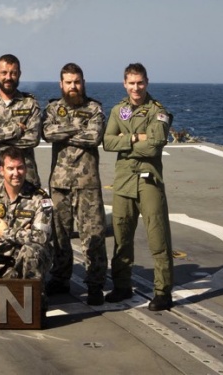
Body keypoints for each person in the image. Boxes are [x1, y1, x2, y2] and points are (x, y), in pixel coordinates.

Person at [103, 62, 175, 311]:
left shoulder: (158, 112)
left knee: (158, 237)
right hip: (123, 181)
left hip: (149, 182)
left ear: (147, 83)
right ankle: (122, 286)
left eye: (140, 83)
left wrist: (125, 140)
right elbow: (107, 142)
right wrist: (136, 137)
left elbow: (154, 146)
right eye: (131, 83)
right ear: (125, 84)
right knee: (122, 237)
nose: (136, 87)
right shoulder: (117, 111)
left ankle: (163, 291)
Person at [41, 63, 108, 305]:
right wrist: (77, 127)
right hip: (59, 183)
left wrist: (65, 131)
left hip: (87, 183)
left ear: (83, 82)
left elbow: (94, 137)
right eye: (68, 82)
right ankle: (60, 278)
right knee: (59, 235)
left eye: (77, 81)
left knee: (93, 236)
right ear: (61, 84)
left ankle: (95, 284)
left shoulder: (94, 108)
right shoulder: (52, 108)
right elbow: (48, 133)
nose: (73, 86)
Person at [0, 146, 53, 280]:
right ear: (2, 170)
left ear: (26, 169)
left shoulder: (40, 198)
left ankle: (34, 297)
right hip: (0, 265)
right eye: (10, 168)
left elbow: (41, 239)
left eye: (20, 168)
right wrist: (23, 236)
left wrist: (6, 232)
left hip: (29, 264)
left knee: (31, 250)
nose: (16, 173)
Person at [0, 54, 41, 186]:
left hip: (26, 177)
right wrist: (16, 129)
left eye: (13, 73)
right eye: (4, 73)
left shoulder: (30, 103)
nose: (8, 77)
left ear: (19, 74)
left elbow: (33, 138)